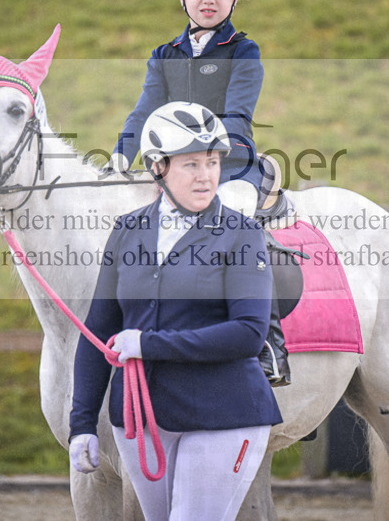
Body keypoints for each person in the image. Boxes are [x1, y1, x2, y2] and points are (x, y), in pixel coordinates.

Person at [70, 102, 282, 520]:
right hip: (141, 419)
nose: (206, 175)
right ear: (157, 167)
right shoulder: (127, 231)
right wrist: (81, 424)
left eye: (212, 162)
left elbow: (247, 333)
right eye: (190, 164)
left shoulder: (243, 235)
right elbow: (98, 329)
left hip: (224, 412)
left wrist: (149, 344)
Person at [106, 0, 290, 385]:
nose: (209, 1)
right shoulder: (163, 55)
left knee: (238, 222)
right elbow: (143, 111)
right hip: (172, 170)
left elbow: (237, 116)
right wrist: (118, 157)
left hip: (229, 168)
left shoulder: (244, 52)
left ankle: (269, 342)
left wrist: (196, 157)